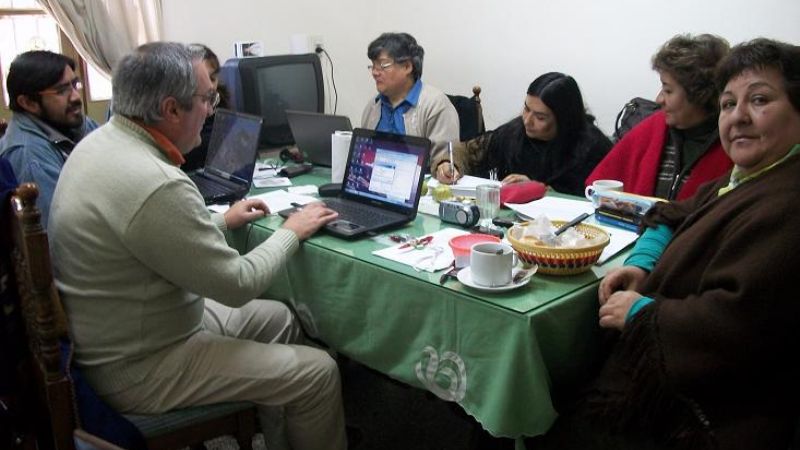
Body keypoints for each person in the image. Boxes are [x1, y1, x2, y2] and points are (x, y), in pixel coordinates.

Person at [48, 42, 346, 450]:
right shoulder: (157, 182)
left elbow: (146, 228)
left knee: (280, 319)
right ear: (171, 109)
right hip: (143, 366)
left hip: (131, 332)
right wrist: (292, 230)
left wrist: (221, 219)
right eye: (207, 99)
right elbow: (238, 284)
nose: (212, 110)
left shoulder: (101, 142)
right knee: (319, 372)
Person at [530, 38, 800, 450]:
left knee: (550, 410)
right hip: (666, 353)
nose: (739, 116)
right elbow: (673, 214)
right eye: (729, 104)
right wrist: (642, 262)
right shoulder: (744, 180)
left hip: (711, 411)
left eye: (759, 99)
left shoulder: (786, 202)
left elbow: (738, 325)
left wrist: (641, 311)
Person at [586, 34, 733, 200]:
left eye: (668, 90)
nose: (658, 99)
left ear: (699, 94)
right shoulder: (653, 128)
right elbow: (599, 186)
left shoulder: (732, 144)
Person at [432, 72, 613, 196]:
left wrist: (538, 189)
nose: (527, 120)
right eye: (526, 109)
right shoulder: (515, 132)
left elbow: (599, 200)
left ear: (564, 119)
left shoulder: (592, 148)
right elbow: (466, 150)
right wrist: (448, 164)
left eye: (540, 117)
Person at [0, 50, 99, 227]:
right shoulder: (30, 156)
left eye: (75, 85)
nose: (76, 97)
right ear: (28, 103)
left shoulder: (70, 122)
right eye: (61, 91)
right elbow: (60, 233)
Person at [361, 32, 459, 160]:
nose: (374, 72)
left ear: (407, 67)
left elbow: (445, 163)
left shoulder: (436, 105)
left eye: (383, 65)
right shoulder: (373, 107)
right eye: (373, 66)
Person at [181, 43, 230, 172]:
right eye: (204, 78)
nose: (210, 85)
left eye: (213, 78)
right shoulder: (183, 106)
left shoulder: (221, 103)